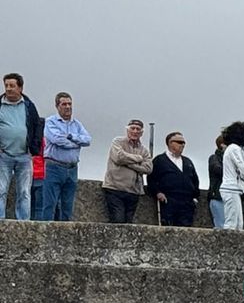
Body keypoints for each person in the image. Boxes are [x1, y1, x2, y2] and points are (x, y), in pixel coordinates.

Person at [0, 72, 45, 220]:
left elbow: (37, 126)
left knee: (24, 192)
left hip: (24, 156)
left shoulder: (29, 106)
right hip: (3, 155)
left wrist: (34, 148)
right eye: (6, 85)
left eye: (12, 86)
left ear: (20, 87)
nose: (8, 89)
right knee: (1, 190)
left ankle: (23, 223)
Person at [40, 92, 91, 221]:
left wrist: (72, 137)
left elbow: (87, 140)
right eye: (64, 104)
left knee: (67, 205)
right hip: (54, 167)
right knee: (49, 204)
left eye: (69, 104)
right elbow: (58, 140)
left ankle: (65, 236)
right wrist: (76, 143)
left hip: (72, 168)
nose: (67, 107)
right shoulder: (51, 122)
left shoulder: (77, 124)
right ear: (57, 106)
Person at [102, 118, 152, 223]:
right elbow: (119, 157)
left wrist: (128, 164)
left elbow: (148, 168)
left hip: (133, 191)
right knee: (118, 220)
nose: (135, 131)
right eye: (132, 128)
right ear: (127, 130)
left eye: (138, 129)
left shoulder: (144, 150)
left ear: (141, 133)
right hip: (115, 188)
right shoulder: (118, 142)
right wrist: (138, 159)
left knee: (129, 224)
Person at [148, 131, 199, 227]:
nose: (183, 145)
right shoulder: (159, 160)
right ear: (170, 143)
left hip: (187, 202)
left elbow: (195, 180)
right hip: (168, 200)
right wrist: (157, 192)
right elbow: (151, 179)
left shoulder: (187, 161)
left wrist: (195, 196)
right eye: (179, 142)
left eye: (184, 143)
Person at [217, 121, 244, 230]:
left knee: (237, 223)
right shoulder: (234, 149)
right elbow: (242, 168)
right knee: (232, 223)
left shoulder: (231, 148)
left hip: (233, 189)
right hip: (231, 188)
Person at [206, 133, 226, 229]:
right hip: (217, 196)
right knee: (221, 226)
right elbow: (217, 170)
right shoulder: (214, 158)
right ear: (222, 144)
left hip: (228, 198)